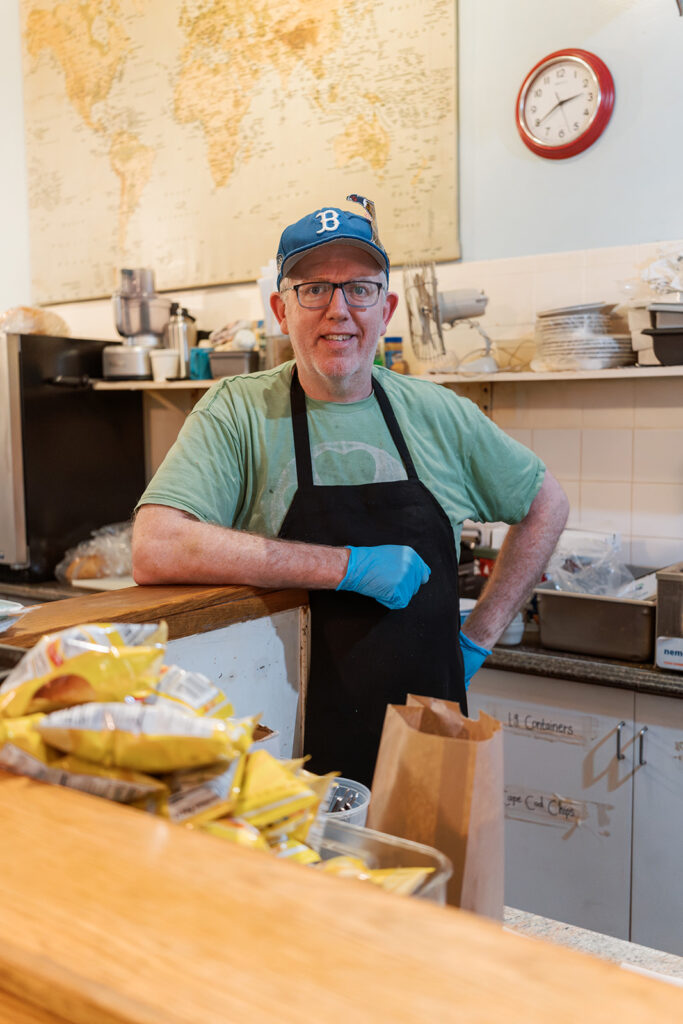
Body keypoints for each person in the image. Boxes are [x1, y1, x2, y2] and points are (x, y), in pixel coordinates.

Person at [132, 195, 569, 785]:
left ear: (385, 309)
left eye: (359, 289)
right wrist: (345, 566)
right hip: (286, 760)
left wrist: (478, 638)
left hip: (425, 747)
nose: (338, 309)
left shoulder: (439, 413)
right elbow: (156, 546)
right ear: (280, 311)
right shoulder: (236, 411)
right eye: (313, 288)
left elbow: (547, 505)